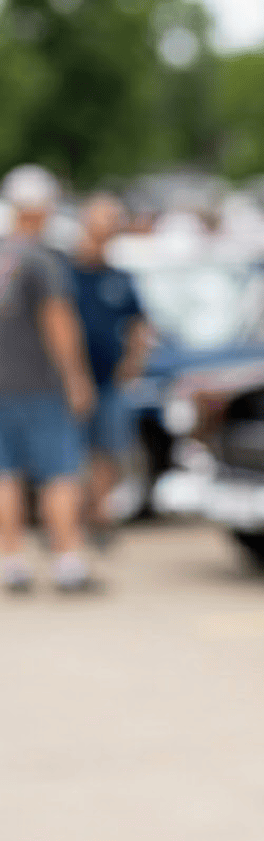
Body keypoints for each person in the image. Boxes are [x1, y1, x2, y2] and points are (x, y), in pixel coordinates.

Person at [0, 164, 97, 592]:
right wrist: (77, 378)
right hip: (40, 385)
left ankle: (11, 559)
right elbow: (58, 322)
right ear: (40, 209)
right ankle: (66, 560)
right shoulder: (42, 259)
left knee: (6, 474)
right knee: (60, 472)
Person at [69, 193, 151, 543]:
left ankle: (97, 518)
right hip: (67, 380)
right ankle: (69, 521)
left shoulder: (120, 277)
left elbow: (139, 324)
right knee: (69, 453)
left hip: (108, 380)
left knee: (108, 450)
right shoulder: (64, 275)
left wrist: (132, 364)